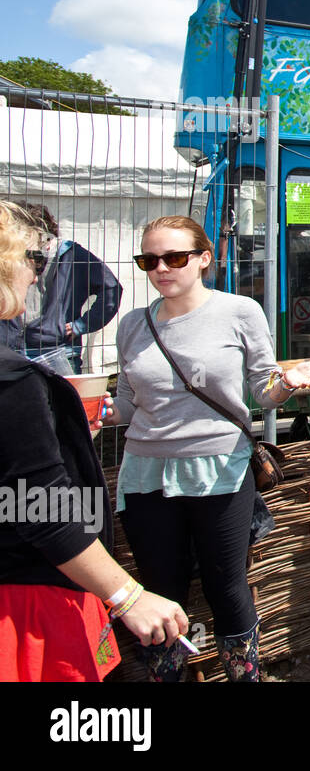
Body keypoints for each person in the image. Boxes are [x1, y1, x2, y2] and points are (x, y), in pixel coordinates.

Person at [104, 215, 310, 681]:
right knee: (161, 589)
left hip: (221, 469)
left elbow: (262, 391)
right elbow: (127, 403)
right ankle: (167, 677)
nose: (161, 268)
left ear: (204, 259)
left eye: (175, 257)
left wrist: (286, 383)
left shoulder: (239, 311)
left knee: (227, 588)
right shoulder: (132, 325)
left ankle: (244, 677)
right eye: (150, 260)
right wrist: (96, 410)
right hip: (145, 474)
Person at [1, 200, 188, 681]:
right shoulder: (13, 379)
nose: (36, 275)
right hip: (26, 600)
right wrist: (127, 595)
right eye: (32, 261)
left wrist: (56, 434)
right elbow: (37, 505)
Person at [0, 203, 121, 374]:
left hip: (58, 352)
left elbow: (111, 289)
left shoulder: (73, 255)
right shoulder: (11, 256)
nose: (34, 278)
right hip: (11, 348)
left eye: (43, 242)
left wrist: (82, 325)